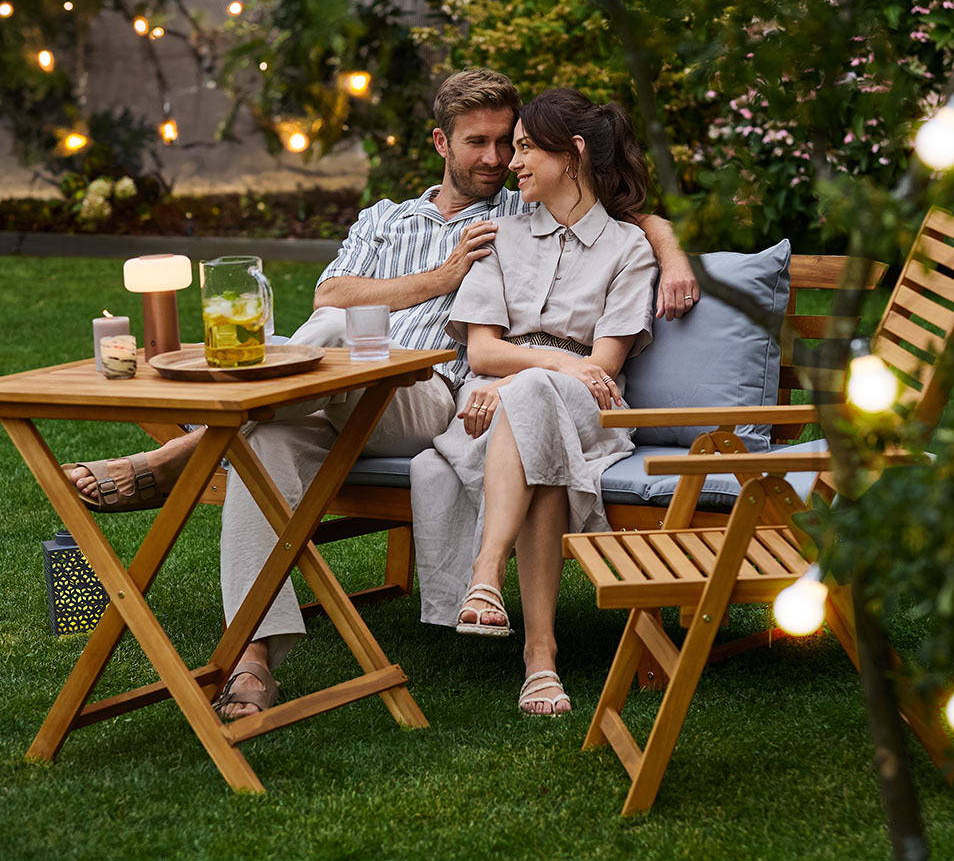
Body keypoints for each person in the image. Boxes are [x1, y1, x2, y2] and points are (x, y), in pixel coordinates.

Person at [66, 69, 697, 718]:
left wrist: (673, 256)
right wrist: (440, 277)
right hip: (334, 389)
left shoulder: (516, 209)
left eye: (507, 142)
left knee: (322, 343)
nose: (497, 159)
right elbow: (330, 294)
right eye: (478, 142)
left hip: (421, 392)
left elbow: (620, 215)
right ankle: (252, 657)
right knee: (275, 428)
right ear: (440, 143)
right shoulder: (385, 219)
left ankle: (193, 447)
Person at [411, 88, 659, 716]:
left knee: (536, 402)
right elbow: (482, 351)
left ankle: (487, 571)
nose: (511, 162)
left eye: (524, 148)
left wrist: (527, 378)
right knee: (540, 448)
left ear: (572, 154)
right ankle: (540, 660)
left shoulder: (628, 248)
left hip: (586, 407)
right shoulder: (500, 237)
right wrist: (549, 364)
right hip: (506, 402)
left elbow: (603, 367)